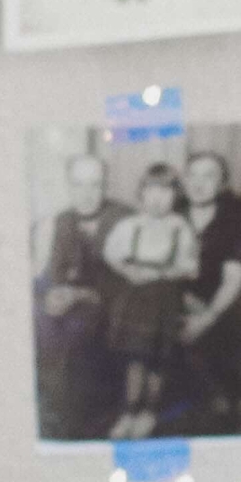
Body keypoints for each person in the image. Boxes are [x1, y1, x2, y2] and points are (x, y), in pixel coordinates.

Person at [99, 162, 200, 439]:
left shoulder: (179, 227)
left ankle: (149, 411)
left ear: (175, 195)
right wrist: (129, 270)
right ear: (141, 194)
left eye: (165, 192)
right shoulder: (129, 225)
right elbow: (111, 253)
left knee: (158, 361)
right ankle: (129, 411)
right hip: (134, 299)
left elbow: (190, 266)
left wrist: (161, 273)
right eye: (151, 190)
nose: (157, 199)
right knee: (135, 359)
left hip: (164, 300)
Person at [30, 150, 124, 439]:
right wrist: (50, 295)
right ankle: (49, 415)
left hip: (108, 304)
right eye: (79, 185)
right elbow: (41, 273)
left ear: (105, 186)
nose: (87, 193)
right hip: (63, 300)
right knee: (39, 320)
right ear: (68, 186)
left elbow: (129, 283)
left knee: (75, 330)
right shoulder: (55, 222)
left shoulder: (125, 219)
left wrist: (80, 295)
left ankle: (71, 421)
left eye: (95, 184)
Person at [174, 145, 241, 435]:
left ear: (222, 183)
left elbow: (234, 278)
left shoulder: (239, 216)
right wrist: (184, 298)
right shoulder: (173, 211)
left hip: (227, 299)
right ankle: (219, 397)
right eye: (193, 175)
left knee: (231, 326)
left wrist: (207, 316)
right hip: (181, 297)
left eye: (209, 176)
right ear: (184, 180)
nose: (199, 183)